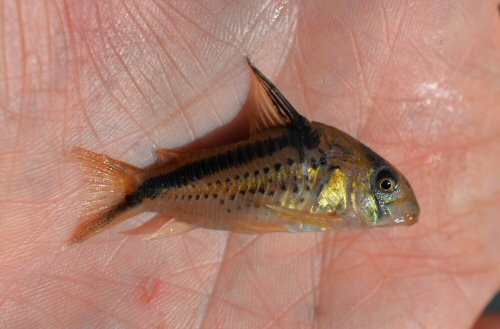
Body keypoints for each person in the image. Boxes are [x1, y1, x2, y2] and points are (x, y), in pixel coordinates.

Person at [1, 1, 499, 328]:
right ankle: (134, 191)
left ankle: (137, 191)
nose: (389, 201)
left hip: (205, 186)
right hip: (190, 186)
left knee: (156, 192)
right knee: (148, 191)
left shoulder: (329, 191)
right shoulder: (325, 193)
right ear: (342, 179)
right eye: (382, 186)